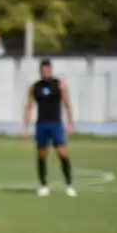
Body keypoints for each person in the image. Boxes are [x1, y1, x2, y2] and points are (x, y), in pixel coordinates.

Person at [23, 59, 76, 197]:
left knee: (62, 153)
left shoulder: (59, 85)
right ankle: (43, 185)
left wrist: (70, 123)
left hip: (56, 124)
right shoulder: (35, 87)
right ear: (40, 71)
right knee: (41, 155)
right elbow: (29, 107)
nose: (45, 72)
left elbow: (67, 104)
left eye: (47, 69)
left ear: (51, 70)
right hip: (41, 124)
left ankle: (69, 184)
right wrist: (26, 128)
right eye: (42, 70)